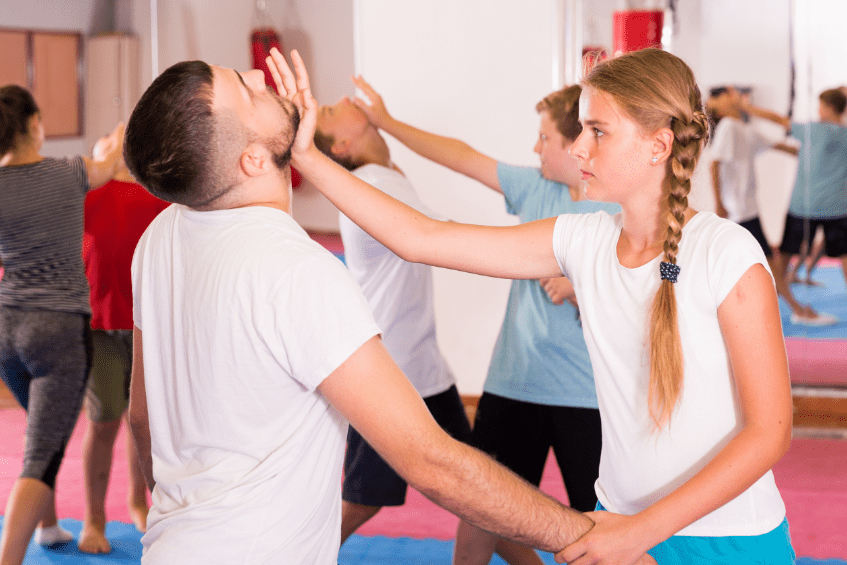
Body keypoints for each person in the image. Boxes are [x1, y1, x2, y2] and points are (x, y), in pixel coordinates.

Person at [283, 47, 795, 564]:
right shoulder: (584, 240)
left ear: (658, 145)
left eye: (598, 132)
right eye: (579, 131)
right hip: (618, 522)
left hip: (731, 539)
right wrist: (307, 157)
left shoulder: (725, 253)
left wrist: (640, 532)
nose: (578, 150)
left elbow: (769, 431)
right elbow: (423, 238)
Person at [122, 52, 618, 565]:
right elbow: (433, 464)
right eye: (246, 90)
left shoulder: (159, 238)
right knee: (388, 483)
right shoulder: (298, 272)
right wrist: (582, 535)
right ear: (251, 160)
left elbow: (143, 416)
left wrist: (187, 513)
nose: (257, 75)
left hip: (171, 549)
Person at [328, 78, 618, 565]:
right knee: (483, 509)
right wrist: (388, 122)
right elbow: (458, 156)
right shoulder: (535, 187)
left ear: (577, 147)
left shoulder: (618, 210)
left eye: (545, 138)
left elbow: (658, 287)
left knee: (593, 518)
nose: (535, 146)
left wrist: (585, 285)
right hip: (514, 386)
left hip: (584, 395)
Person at [0, 85, 123, 565]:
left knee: (39, 428)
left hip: (7, 329)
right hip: (59, 330)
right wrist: (119, 135)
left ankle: (48, 528)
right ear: (34, 124)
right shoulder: (70, 171)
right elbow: (110, 163)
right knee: (41, 455)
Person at [78, 145, 169, 553]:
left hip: (147, 325)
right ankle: (93, 517)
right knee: (103, 423)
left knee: (143, 419)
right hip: (101, 326)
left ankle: (139, 499)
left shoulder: (157, 196)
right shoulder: (87, 195)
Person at [706, 85, 835, 326]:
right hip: (738, 211)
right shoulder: (727, 127)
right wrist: (720, 204)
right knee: (766, 263)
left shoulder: (744, 129)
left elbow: (782, 146)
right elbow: (714, 166)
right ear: (720, 103)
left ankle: (776, 308)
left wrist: (822, 154)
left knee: (757, 263)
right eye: (729, 94)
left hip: (747, 208)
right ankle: (798, 310)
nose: (736, 96)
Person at [743, 88, 847, 324]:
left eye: (821, 106)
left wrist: (746, 106)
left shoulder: (811, 130)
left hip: (804, 207)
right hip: (837, 208)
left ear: (828, 108)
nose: (818, 111)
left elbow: (776, 118)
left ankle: (775, 300)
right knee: (843, 257)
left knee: (784, 255)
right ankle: (788, 292)